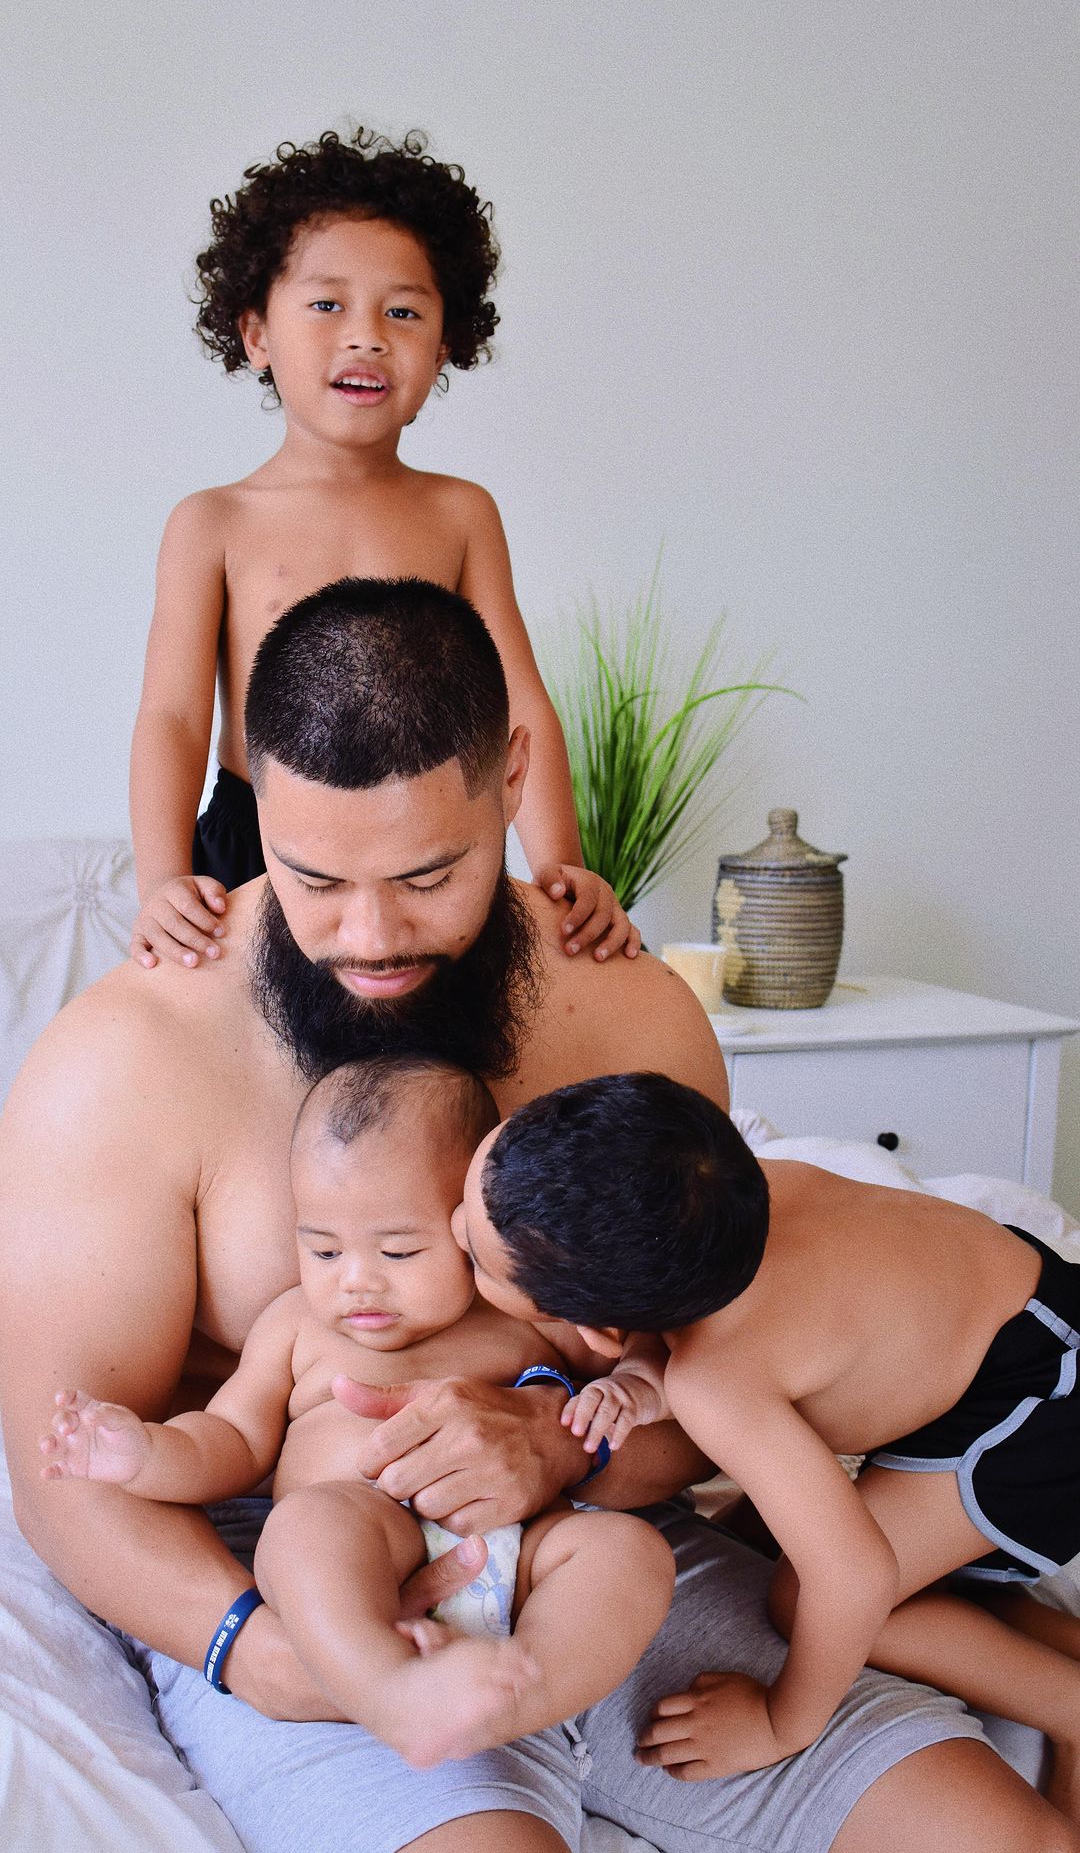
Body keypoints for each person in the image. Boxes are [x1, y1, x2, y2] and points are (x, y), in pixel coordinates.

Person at [1, 575, 1073, 1853]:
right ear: (258, 799)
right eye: (314, 877)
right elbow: (68, 1474)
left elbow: (704, 1388)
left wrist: (563, 1449)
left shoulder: (626, 1011)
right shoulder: (124, 1059)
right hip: (299, 1560)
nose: (370, 934)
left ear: (511, 778)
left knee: (997, 1836)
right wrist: (261, 1649)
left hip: (600, 1545)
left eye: (427, 874)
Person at [462, 1068, 1080, 1818]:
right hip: (1020, 1310)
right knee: (776, 1551)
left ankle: (1067, 1707)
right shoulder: (734, 1197)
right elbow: (675, 1314)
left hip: (1034, 1414)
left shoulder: (717, 1382)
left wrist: (782, 1721)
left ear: (591, 1327)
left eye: (478, 1259)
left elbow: (855, 1574)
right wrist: (640, 1377)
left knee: (804, 1599)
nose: (456, 1229)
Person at [37, 1055, 674, 1767]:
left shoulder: (518, 1312)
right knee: (303, 1530)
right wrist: (146, 1453)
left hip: (523, 1550)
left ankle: (522, 1692)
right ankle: (388, 1689)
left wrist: (628, 1388)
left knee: (629, 1552)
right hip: (366, 1542)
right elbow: (231, 1439)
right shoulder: (295, 1327)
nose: (356, 1280)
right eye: (323, 1248)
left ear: (472, 1226)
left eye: (398, 1250)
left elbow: (648, 1346)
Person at [129, 123, 635, 971]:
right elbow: (172, 718)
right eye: (327, 305)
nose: (366, 335)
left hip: (430, 848)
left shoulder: (461, 513)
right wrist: (162, 882)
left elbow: (519, 702)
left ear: (444, 346)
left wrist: (561, 868)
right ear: (256, 334)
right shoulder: (212, 522)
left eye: (402, 311)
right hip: (266, 847)